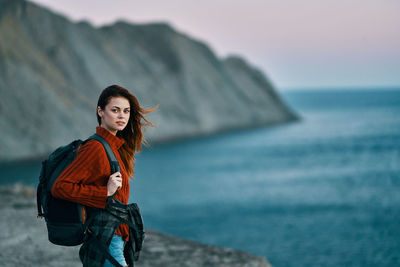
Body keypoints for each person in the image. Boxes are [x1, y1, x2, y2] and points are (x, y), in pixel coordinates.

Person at [52, 85, 157, 266]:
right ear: (100, 111)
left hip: (113, 237)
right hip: (107, 239)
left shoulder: (113, 147)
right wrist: (104, 192)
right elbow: (60, 187)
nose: (122, 116)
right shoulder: (95, 147)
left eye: (126, 111)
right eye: (115, 110)